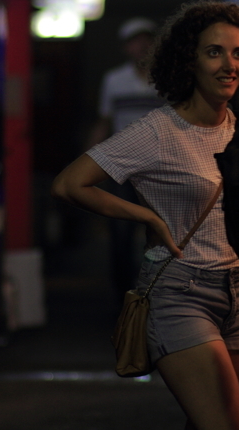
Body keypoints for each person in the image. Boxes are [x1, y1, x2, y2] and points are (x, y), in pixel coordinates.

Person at [52, 0, 239, 430]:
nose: (229, 65)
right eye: (214, 52)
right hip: (181, 293)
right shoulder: (158, 131)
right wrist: (147, 217)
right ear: (187, 60)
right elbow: (68, 183)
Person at [86, 17, 165, 298]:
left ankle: (155, 292)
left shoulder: (167, 79)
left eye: (147, 39)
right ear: (126, 47)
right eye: (135, 41)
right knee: (120, 233)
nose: (142, 46)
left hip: (160, 170)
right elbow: (104, 121)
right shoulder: (114, 81)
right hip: (122, 168)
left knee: (161, 234)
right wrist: (90, 166)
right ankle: (122, 294)